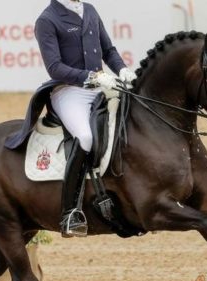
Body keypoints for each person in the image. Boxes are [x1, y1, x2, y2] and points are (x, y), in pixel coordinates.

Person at [35, 0, 137, 238]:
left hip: (100, 87)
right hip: (69, 91)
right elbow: (55, 67)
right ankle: (70, 212)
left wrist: (121, 69)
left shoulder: (89, 10)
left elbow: (108, 50)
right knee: (85, 137)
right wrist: (92, 77)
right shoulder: (47, 20)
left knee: (131, 117)